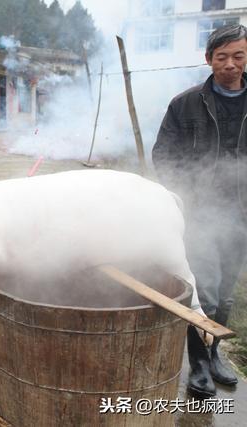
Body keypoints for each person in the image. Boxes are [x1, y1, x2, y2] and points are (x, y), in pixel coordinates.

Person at [153, 23, 246, 398]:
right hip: (200, 214)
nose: (230, 64)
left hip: (240, 215)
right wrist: (184, 194)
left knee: (225, 295)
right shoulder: (185, 103)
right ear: (208, 60)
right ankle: (199, 365)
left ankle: (215, 352)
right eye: (221, 57)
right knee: (202, 293)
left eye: (238, 56)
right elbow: (163, 154)